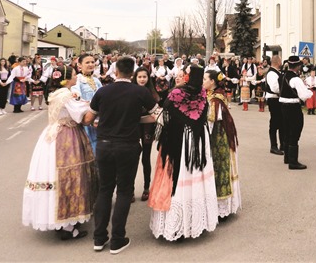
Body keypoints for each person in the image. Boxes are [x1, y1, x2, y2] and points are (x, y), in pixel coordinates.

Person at [86, 56, 158, 254]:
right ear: (133, 73)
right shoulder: (140, 92)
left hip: (104, 145)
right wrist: (136, 119)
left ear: (115, 72)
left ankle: (99, 238)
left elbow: (89, 118)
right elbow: (156, 114)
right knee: (125, 191)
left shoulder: (102, 91)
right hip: (127, 146)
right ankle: (118, 239)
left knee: (105, 190)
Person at [22, 66, 97, 240]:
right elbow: (80, 116)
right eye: (73, 74)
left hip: (52, 135)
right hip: (66, 136)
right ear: (66, 78)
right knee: (69, 174)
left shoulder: (58, 93)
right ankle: (67, 225)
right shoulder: (66, 95)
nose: (76, 77)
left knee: (53, 175)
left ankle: (58, 218)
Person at [148, 65, 219, 241]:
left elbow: (165, 116)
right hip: (198, 141)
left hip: (179, 142)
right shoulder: (202, 94)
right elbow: (204, 116)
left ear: (188, 77)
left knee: (179, 179)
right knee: (196, 177)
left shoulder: (176, 94)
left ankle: (175, 225)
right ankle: (195, 221)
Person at [204, 69, 241, 218]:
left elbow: (211, 122)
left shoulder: (216, 100)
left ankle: (222, 209)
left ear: (212, 82)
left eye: (205, 79)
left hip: (219, 137)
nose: (203, 81)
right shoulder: (211, 95)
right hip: (216, 136)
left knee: (220, 169)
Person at [131, 66, 161, 203]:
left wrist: (143, 119)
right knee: (133, 157)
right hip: (133, 128)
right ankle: (130, 190)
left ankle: (146, 188)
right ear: (135, 78)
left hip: (148, 128)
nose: (142, 79)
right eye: (139, 77)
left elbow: (156, 114)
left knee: (146, 158)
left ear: (148, 78)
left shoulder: (152, 93)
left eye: (144, 77)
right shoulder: (130, 92)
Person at [279, 56, 313, 170]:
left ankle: (287, 157)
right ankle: (293, 162)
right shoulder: (296, 79)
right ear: (298, 66)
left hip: (283, 106)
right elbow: (303, 96)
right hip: (293, 106)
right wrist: (310, 92)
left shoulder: (283, 76)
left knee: (287, 131)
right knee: (295, 131)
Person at [72, 54, 103, 153]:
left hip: (99, 120)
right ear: (79, 65)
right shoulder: (77, 80)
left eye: (92, 62)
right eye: (87, 62)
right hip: (85, 120)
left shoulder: (96, 80)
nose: (91, 64)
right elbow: (77, 99)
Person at [264, 55, 285, 156]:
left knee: (281, 122)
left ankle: (283, 144)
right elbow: (275, 88)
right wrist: (284, 90)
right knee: (274, 122)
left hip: (277, 99)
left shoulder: (276, 72)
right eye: (280, 61)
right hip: (273, 99)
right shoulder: (272, 73)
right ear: (277, 62)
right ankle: (273, 146)